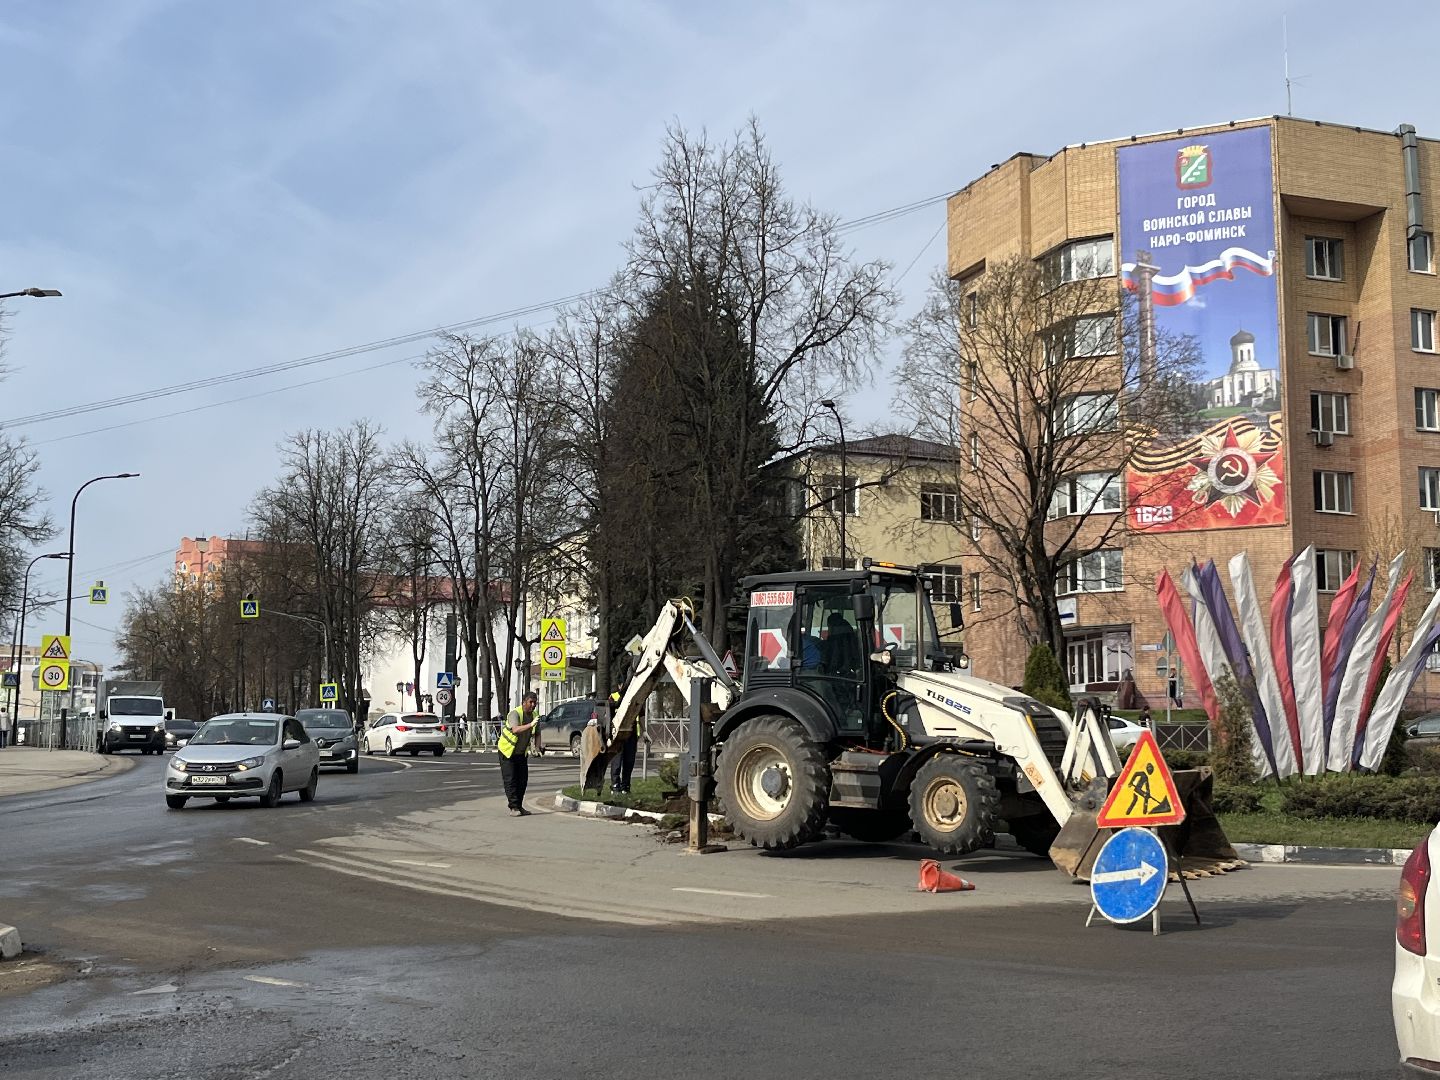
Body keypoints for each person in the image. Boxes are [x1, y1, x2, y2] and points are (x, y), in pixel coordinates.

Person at [498, 691, 540, 816]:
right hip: (507, 752)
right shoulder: (514, 713)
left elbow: (537, 733)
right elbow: (515, 729)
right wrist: (530, 724)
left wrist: (537, 748)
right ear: (523, 702)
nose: (533, 705)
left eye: (535, 702)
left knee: (522, 780)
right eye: (530, 702)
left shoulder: (535, 715)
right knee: (510, 780)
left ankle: (519, 806)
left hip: (521, 753)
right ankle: (513, 808)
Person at [608, 683, 641, 794]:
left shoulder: (635, 697)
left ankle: (626, 786)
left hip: (631, 735)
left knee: (629, 761)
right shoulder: (613, 697)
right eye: (622, 684)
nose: (624, 686)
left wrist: (644, 731)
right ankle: (615, 785)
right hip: (617, 735)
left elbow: (641, 715)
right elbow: (608, 714)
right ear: (619, 685)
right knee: (617, 761)